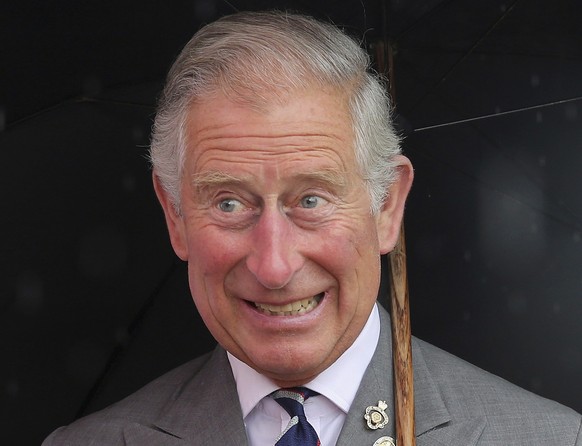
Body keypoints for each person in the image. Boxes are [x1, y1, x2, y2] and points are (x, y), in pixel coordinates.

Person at [43, 10, 581, 446]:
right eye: (229, 203)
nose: (274, 266)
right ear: (174, 216)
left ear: (387, 205)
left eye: (312, 199)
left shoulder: (549, 440)